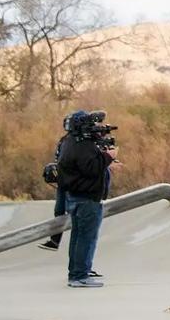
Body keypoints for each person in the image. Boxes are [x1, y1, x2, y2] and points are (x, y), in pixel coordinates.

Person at [57, 111, 120, 287]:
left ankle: (76, 272)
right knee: (86, 237)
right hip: (87, 198)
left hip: (75, 196)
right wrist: (109, 156)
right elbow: (91, 168)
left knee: (78, 236)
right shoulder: (83, 145)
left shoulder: (69, 142)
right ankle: (79, 275)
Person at [38, 128, 67, 251]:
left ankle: (56, 240)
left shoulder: (88, 140)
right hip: (64, 182)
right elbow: (58, 159)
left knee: (76, 210)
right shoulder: (64, 141)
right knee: (59, 210)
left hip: (76, 182)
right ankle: (55, 240)